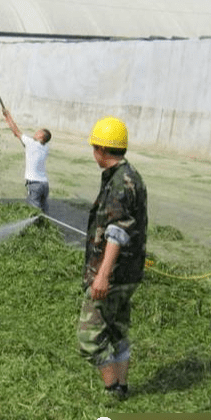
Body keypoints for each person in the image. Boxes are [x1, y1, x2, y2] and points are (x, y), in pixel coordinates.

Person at [77, 116, 148, 401]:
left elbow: (117, 232)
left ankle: (111, 390)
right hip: (129, 274)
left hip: (114, 275)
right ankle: (122, 387)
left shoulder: (119, 183)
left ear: (101, 150)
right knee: (117, 331)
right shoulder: (132, 176)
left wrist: (103, 274)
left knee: (89, 338)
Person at [2, 109, 52, 214]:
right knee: (44, 209)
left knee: (34, 211)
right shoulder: (45, 147)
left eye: (38, 132)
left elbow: (16, 131)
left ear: (41, 137)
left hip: (35, 185)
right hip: (44, 184)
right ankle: (44, 227)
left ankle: (35, 226)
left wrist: (7, 116)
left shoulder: (31, 143)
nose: (36, 133)